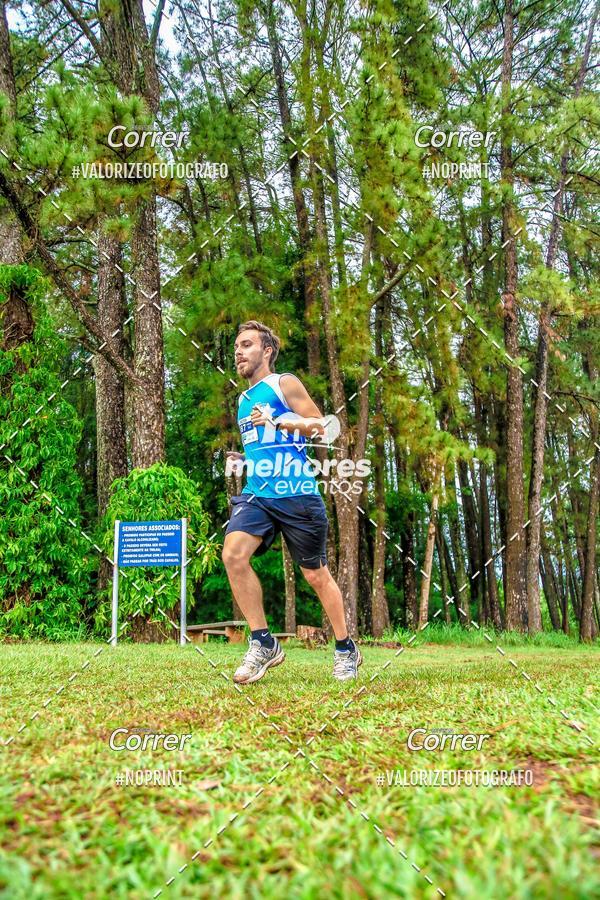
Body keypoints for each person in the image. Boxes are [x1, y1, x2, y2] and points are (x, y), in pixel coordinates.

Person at [222, 320, 362, 684]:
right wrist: (244, 459)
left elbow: (325, 427)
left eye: (247, 345)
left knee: (315, 575)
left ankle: (346, 648)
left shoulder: (283, 384)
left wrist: (281, 419)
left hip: (298, 493)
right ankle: (263, 642)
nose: (239, 351)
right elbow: (265, 446)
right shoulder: (243, 400)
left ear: (266, 351)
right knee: (233, 555)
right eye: (237, 346)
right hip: (259, 494)